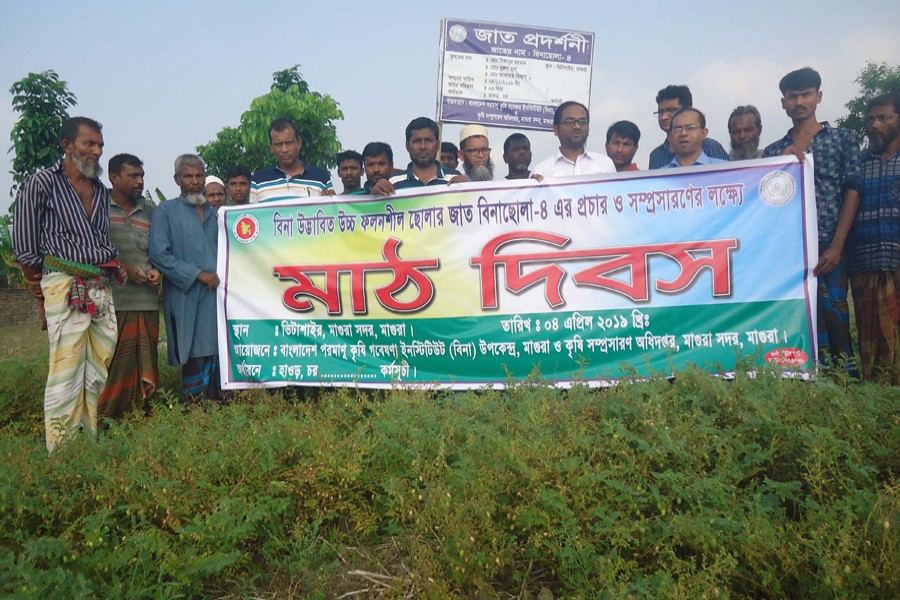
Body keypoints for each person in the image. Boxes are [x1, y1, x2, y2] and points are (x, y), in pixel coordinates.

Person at [12, 116, 123, 452]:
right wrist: (39, 291)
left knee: (98, 369)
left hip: (100, 287)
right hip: (64, 283)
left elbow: (100, 238)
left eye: (100, 145)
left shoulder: (102, 193)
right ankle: (61, 453)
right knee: (66, 372)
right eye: (90, 143)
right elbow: (26, 245)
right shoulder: (42, 183)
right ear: (67, 146)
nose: (97, 151)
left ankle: (86, 442)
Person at [763, 67, 863, 369]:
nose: (799, 101)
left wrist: (836, 246)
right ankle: (805, 375)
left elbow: (853, 191)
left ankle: (844, 379)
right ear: (783, 104)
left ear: (818, 96)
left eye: (805, 94)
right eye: (792, 97)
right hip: (790, 249)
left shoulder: (843, 139)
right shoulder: (774, 151)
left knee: (836, 310)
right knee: (796, 315)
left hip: (829, 241)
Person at [149, 154, 221, 402]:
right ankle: (196, 410)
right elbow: (159, 254)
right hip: (185, 295)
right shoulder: (165, 211)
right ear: (177, 179)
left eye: (199, 175)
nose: (194, 181)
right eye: (188, 176)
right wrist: (198, 275)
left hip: (217, 296)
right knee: (192, 351)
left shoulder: (217, 214)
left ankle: (217, 407)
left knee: (218, 348)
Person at [98, 153, 161, 419]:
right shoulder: (98, 209)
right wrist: (122, 268)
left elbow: (160, 252)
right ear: (114, 178)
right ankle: (107, 417)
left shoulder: (151, 212)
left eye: (141, 176)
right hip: (113, 302)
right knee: (113, 364)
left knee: (147, 362)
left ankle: (143, 415)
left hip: (146, 302)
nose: (140, 181)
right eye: (133, 176)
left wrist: (158, 272)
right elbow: (93, 251)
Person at [846, 93, 900, 382]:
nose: (875, 125)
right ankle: (873, 394)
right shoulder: (859, 164)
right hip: (863, 261)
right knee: (869, 337)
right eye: (871, 119)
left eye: (884, 118)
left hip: (896, 260)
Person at [371, 117, 463, 195]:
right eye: (417, 141)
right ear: (407, 145)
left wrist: (470, 189)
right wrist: (374, 198)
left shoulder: (455, 179)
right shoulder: (392, 183)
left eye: (428, 140)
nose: (423, 147)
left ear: (438, 145)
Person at [251, 117, 333, 203]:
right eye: (278, 144)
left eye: (289, 143)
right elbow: (252, 215)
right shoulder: (258, 181)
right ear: (271, 147)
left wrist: (331, 199)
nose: (284, 150)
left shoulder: (321, 178)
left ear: (299, 143)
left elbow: (330, 212)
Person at [648, 85, 729, 169]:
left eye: (671, 110)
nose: (664, 117)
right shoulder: (656, 155)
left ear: (688, 110)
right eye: (661, 112)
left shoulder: (711, 146)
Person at [532, 101, 615, 179]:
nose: (577, 127)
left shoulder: (605, 165)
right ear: (556, 129)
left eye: (582, 122)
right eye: (569, 121)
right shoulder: (542, 171)